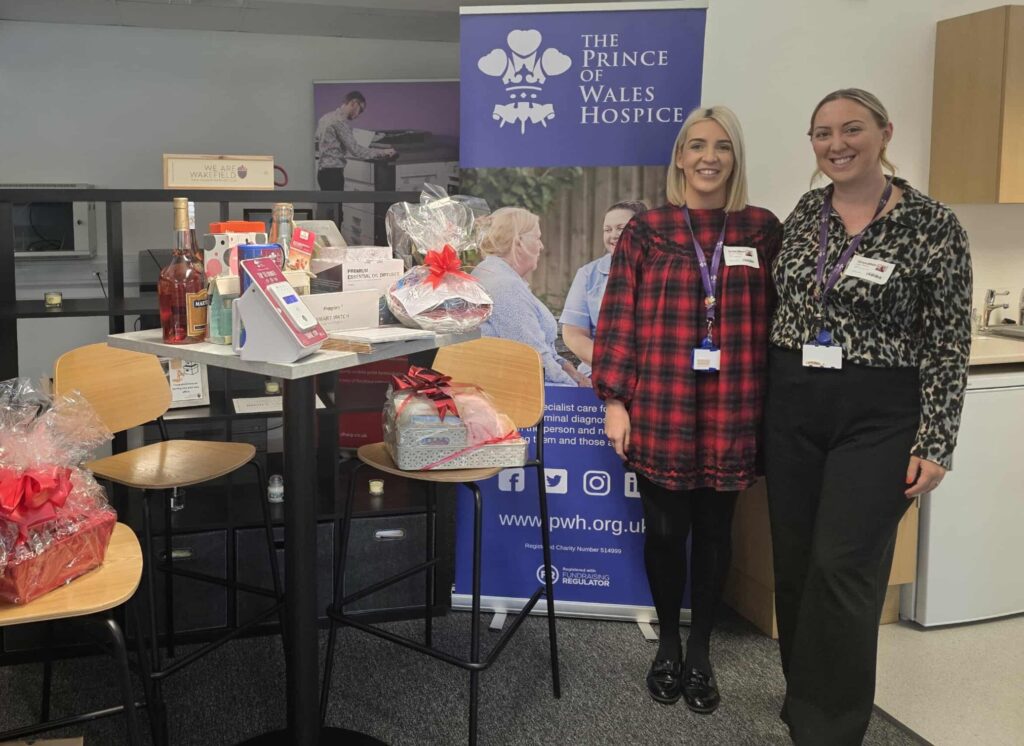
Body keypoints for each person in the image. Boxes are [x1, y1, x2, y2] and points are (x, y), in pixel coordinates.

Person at [764, 88, 971, 745]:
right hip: (794, 399)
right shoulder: (805, 212)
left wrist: (936, 440)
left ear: (884, 132)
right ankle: (804, 699)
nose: (836, 143)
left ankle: (832, 728)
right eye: (822, 132)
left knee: (843, 567)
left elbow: (947, 341)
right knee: (795, 561)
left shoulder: (932, 226)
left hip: (879, 411)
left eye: (851, 129)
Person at [592, 106, 781, 713]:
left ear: (735, 158)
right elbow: (618, 319)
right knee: (666, 534)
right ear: (679, 157)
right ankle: (668, 644)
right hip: (662, 406)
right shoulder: (648, 231)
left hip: (733, 407)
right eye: (696, 145)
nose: (709, 157)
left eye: (722, 146)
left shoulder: (761, 229)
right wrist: (615, 401)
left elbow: (783, 323)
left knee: (717, 534)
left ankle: (701, 650)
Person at [472, 207, 589, 386]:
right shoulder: (505, 286)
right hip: (519, 397)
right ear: (519, 242)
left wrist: (571, 371)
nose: (541, 246)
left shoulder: (495, 275)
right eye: (537, 238)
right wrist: (578, 390)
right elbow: (535, 357)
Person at [560, 200, 649, 376]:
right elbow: (573, 334)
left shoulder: (664, 270)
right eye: (607, 230)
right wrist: (613, 364)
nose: (613, 235)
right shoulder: (588, 274)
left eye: (621, 228)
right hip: (600, 375)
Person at [314, 91, 397, 218]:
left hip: (322, 173)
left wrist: (374, 138)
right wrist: (382, 152)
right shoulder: (340, 122)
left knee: (327, 212)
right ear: (354, 103)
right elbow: (356, 150)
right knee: (335, 215)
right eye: (360, 110)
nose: (358, 115)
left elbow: (323, 139)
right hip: (333, 174)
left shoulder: (325, 118)